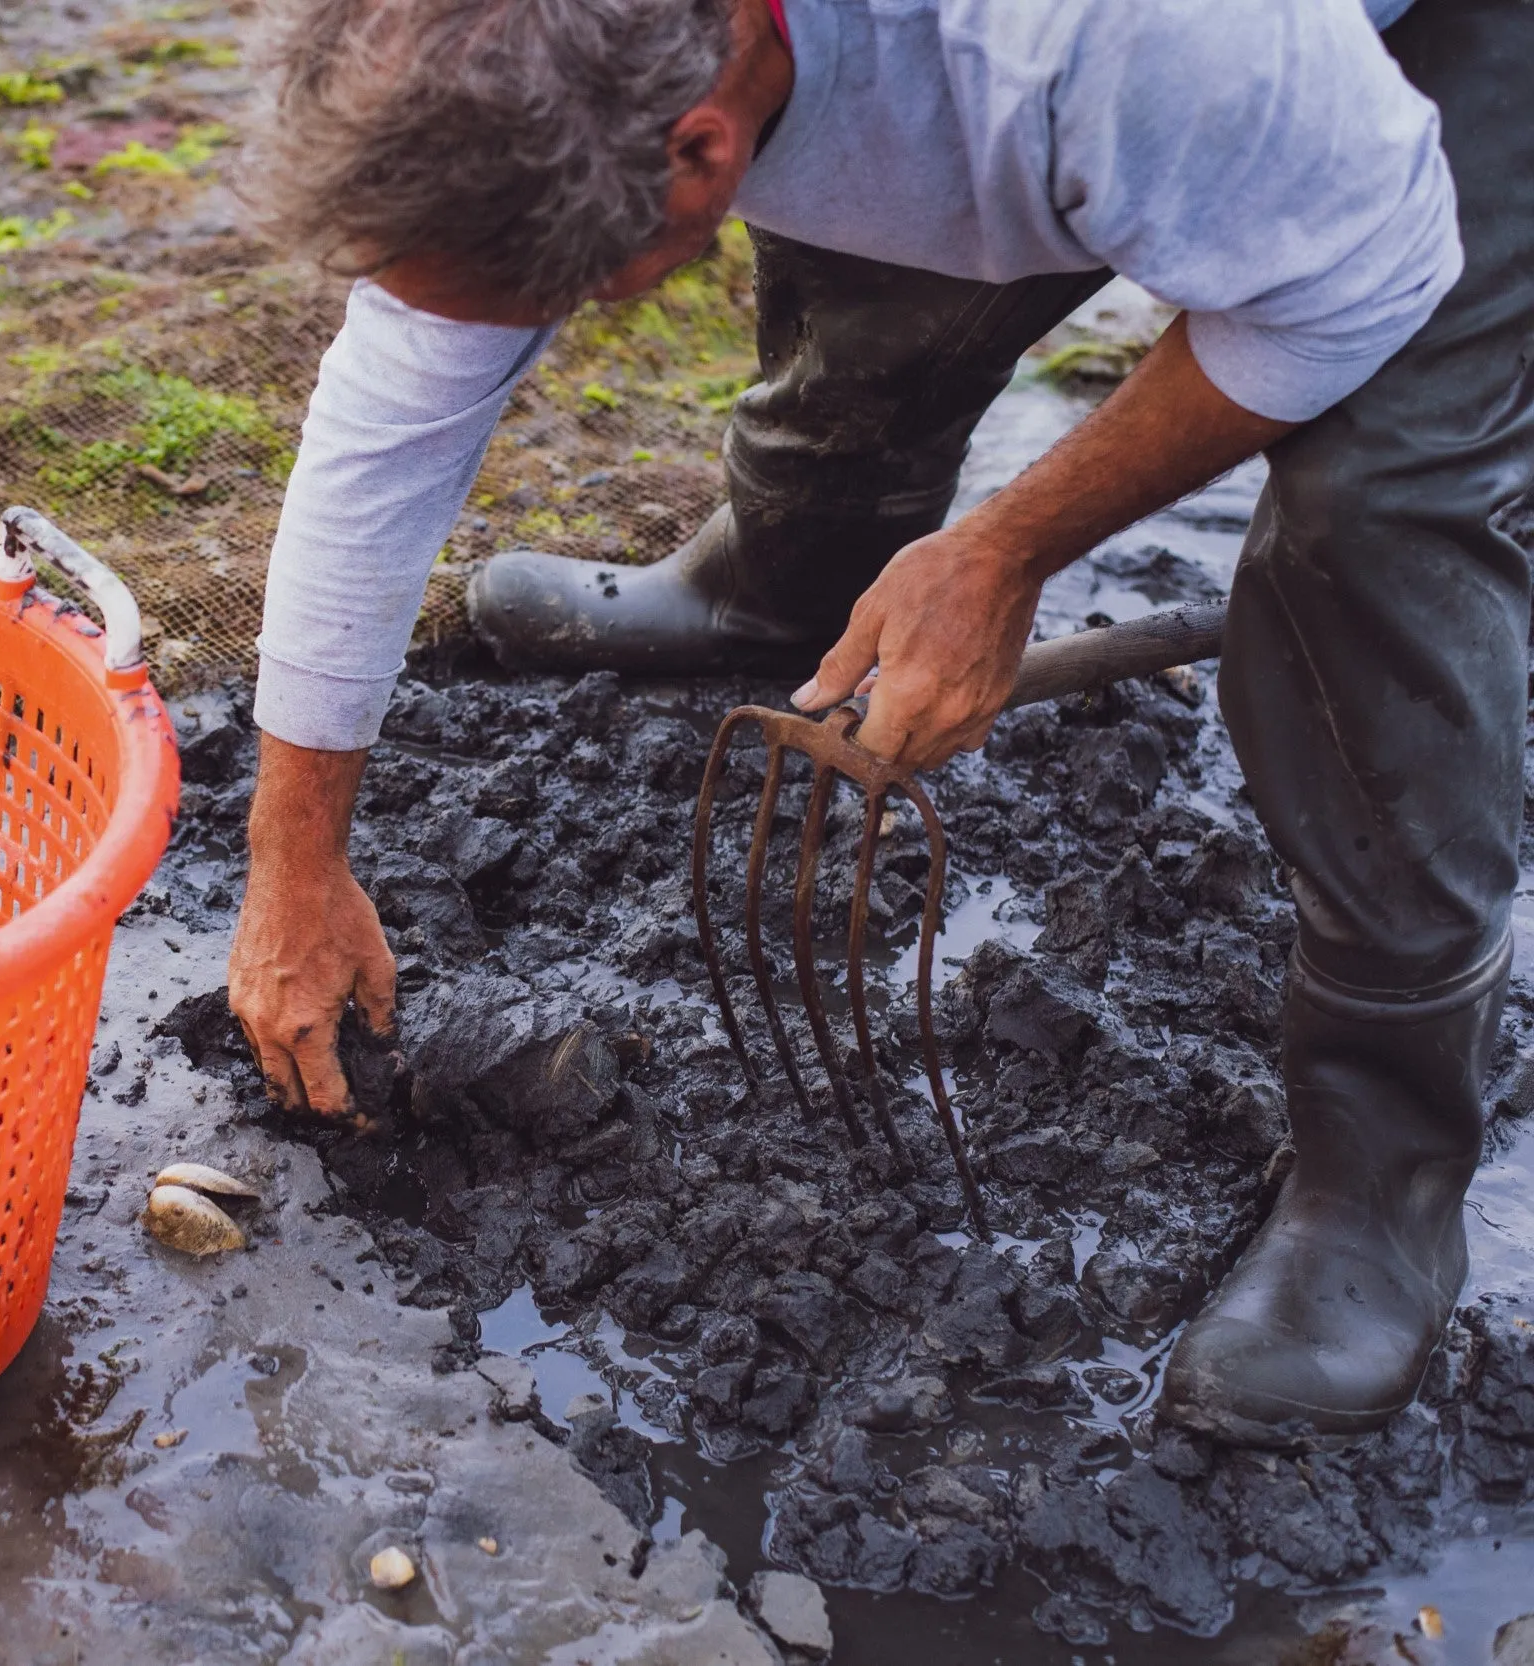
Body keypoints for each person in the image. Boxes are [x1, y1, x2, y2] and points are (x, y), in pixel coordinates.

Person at [226, 0, 1534, 1449]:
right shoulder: (533, 45)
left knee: (1380, 519)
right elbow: (393, 410)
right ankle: (785, 585)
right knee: (888, 263)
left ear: (701, 145)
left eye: (553, 290)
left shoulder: (1118, 40)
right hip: (981, 70)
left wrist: (1006, 550)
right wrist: (294, 855)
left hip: (1426, 60)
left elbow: (1359, 280)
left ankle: (1384, 1165)